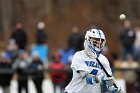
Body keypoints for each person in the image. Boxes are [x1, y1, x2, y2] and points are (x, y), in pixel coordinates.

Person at [64, 25, 121, 93]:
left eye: (100, 42)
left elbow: (109, 80)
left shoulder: (104, 60)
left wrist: (113, 88)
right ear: (88, 40)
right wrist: (100, 78)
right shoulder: (79, 56)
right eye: (95, 42)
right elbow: (86, 78)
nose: (98, 45)